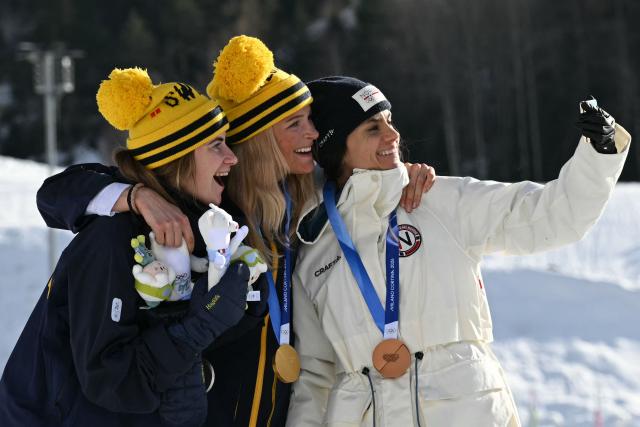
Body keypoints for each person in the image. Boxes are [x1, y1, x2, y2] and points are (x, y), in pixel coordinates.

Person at [32, 36, 435, 427]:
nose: (312, 133)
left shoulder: (305, 203)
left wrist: (404, 177)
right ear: (259, 137)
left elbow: (364, 188)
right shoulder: (204, 208)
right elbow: (59, 191)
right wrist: (135, 195)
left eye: (311, 121)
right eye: (294, 123)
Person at [285, 76, 631, 427]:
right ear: (335, 147)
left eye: (390, 122)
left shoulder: (441, 202)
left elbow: (551, 216)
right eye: (373, 128)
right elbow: (314, 376)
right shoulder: (314, 251)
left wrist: (597, 154)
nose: (392, 136)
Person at [0, 67, 258, 426]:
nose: (232, 158)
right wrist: (197, 328)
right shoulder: (111, 239)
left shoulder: (204, 223)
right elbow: (112, 380)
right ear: (175, 157)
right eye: (216, 145)